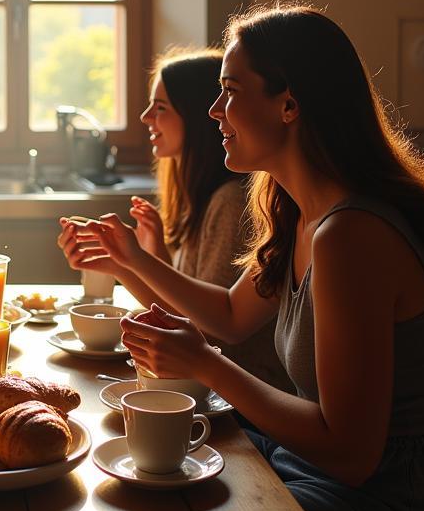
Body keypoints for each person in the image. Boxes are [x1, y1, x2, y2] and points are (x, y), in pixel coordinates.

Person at [73, 4, 424, 511]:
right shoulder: (297, 209)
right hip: (315, 472)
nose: (215, 113)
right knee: (150, 490)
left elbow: (351, 451)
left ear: (290, 104)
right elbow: (232, 316)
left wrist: (204, 363)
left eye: (229, 93)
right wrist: (131, 260)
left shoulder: (352, 235)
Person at [58, 48, 292, 392]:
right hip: (216, 390)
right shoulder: (200, 198)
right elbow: (188, 314)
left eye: (161, 108)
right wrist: (122, 264)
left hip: (232, 399)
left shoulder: (232, 200)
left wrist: (133, 260)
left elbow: (211, 330)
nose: (144, 117)